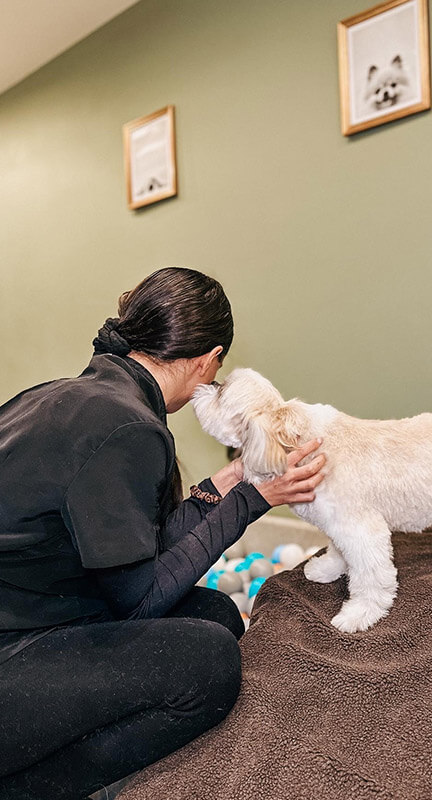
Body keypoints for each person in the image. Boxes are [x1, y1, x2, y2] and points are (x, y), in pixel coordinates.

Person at [0, 267, 325, 800]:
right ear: (208, 359)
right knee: (206, 662)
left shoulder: (74, 399)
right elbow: (139, 601)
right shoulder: (128, 427)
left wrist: (230, 481)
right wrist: (255, 500)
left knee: (215, 611)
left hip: (40, 613)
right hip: (13, 651)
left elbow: (135, 554)